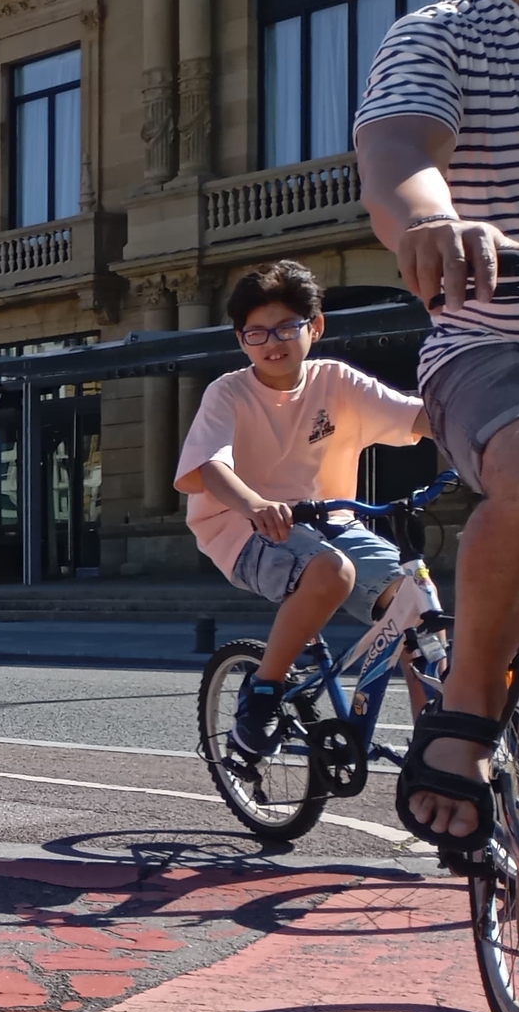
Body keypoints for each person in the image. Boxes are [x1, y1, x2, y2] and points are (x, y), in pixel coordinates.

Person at [357, 0, 519, 868]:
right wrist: (432, 223)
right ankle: (465, 712)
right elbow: (401, 152)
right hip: (493, 342)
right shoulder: (447, 33)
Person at [174, 262, 431, 756]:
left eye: (288, 327)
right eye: (257, 332)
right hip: (243, 529)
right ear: (241, 339)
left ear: (315, 327)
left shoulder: (335, 381)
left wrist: (487, 439)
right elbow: (210, 466)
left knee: (415, 602)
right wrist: (254, 503)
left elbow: (416, 415)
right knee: (331, 571)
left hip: (333, 523)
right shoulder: (228, 392)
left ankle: (433, 745)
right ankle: (262, 694)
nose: (273, 342)